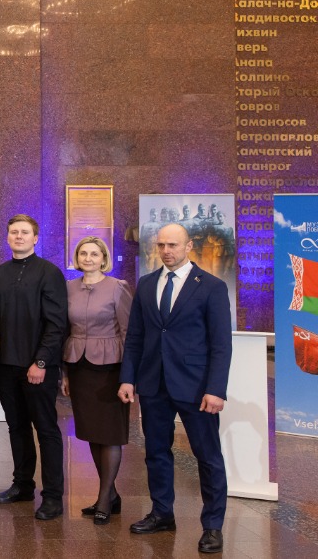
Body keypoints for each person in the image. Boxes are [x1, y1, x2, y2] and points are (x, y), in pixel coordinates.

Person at [119, 223, 232, 554]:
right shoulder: (147, 284)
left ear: (189, 245)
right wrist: (128, 378)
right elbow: (136, 336)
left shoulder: (210, 286)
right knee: (156, 452)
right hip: (153, 384)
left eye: (173, 245)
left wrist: (216, 389)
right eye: (162, 245)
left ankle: (212, 526)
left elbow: (221, 344)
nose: (166, 250)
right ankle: (162, 513)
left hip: (197, 388)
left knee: (207, 457)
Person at [0, 214, 69, 520]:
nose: (18, 237)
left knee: (46, 430)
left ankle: (52, 497)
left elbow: (56, 323)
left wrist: (41, 361)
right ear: (7, 238)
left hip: (38, 367)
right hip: (6, 367)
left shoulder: (49, 273)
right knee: (16, 428)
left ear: (35, 238)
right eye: (13, 232)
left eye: (24, 233)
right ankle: (22, 485)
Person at [63, 236, 132, 525]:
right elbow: (64, 329)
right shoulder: (67, 288)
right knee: (91, 432)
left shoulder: (118, 288)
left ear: (104, 258)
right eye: (83, 253)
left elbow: (130, 333)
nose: (88, 258)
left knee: (110, 434)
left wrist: (129, 377)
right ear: (77, 258)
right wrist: (64, 373)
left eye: (94, 254)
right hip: (78, 367)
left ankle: (104, 498)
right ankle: (111, 494)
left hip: (111, 369)